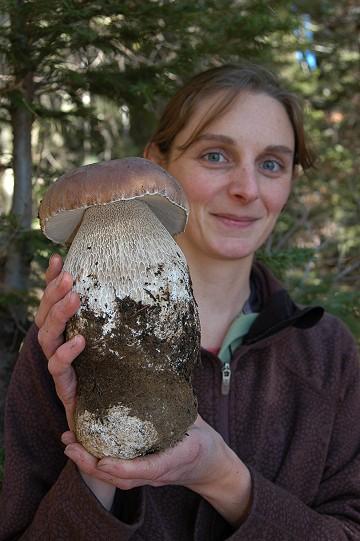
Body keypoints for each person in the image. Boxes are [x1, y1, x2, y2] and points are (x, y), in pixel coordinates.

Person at [1, 63, 360, 540]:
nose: (247, 189)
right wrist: (96, 465)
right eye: (215, 155)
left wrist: (223, 479)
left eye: (271, 164)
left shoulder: (327, 355)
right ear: (156, 162)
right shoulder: (60, 350)